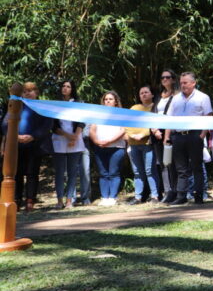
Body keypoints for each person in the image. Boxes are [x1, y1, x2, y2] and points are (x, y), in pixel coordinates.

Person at [1, 82, 53, 212]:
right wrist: (15, 137)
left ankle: (30, 201)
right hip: (16, 146)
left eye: (31, 91)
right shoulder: (15, 105)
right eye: (25, 91)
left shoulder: (42, 107)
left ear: (37, 93)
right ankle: (16, 201)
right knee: (16, 174)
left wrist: (33, 136)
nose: (27, 93)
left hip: (35, 145)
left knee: (32, 174)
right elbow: (4, 125)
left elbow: (47, 126)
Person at [164, 72, 212, 205]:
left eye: (185, 82)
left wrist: (202, 135)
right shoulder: (175, 99)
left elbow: (208, 116)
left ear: (193, 83)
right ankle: (181, 196)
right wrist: (167, 137)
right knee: (181, 169)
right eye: (181, 83)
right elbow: (169, 118)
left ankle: (198, 196)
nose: (182, 85)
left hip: (195, 135)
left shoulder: (203, 97)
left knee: (197, 167)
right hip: (178, 136)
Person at [51, 80, 85, 209]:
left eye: (68, 86)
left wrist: (74, 137)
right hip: (59, 139)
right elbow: (53, 126)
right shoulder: (55, 104)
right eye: (63, 86)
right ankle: (59, 201)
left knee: (72, 172)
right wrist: (67, 135)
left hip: (75, 140)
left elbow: (82, 123)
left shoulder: (78, 104)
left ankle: (70, 200)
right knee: (59, 172)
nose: (65, 88)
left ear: (72, 89)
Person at [89, 91, 127, 206]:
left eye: (110, 99)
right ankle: (105, 197)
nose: (108, 101)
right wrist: (96, 141)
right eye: (106, 99)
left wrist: (110, 141)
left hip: (116, 147)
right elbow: (92, 130)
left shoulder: (121, 114)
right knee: (103, 173)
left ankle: (113, 197)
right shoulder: (98, 114)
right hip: (100, 148)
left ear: (116, 101)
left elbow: (123, 130)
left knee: (113, 173)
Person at [126, 85, 160, 204]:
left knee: (150, 170)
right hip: (133, 144)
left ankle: (155, 196)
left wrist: (144, 134)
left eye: (146, 92)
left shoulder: (155, 108)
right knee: (137, 172)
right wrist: (132, 135)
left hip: (148, 143)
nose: (144, 95)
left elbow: (155, 125)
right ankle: (138, 197)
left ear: (152, 94)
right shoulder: (134, 108)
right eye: (141, 93)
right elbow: (126, 124)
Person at [152, 69, 179, 204]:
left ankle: (176, 191)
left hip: (172, 133)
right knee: (163, 164)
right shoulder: (158, 96)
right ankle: (168, 191)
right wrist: (154, 130)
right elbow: (152, 114)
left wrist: (166, 135)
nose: (164, 80)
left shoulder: (178, 96)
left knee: (173, 163)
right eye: (162, 78)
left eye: (168, 77)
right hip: (158, 133)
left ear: (173, 79)